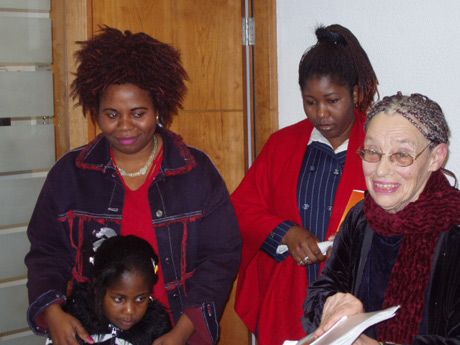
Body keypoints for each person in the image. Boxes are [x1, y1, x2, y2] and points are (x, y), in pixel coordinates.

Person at [25, 26, 241, 345]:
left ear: (159, 109)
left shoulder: (195, 171)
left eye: (138, 113)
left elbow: (221, 257)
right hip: (90, 332)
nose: (125, 126)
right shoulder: (69, 174)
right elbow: (46, 252)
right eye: (112, 114)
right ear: (95, 112)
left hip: (171, 333)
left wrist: (182, 333)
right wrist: (53, 312)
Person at [231, 24, 378, 345]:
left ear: (355, 94)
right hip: (289, 294)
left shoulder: (380, 143)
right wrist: (285, 232)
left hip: (356, 296)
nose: (321, 113)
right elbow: (242, 208)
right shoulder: (282, 144)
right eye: (310, 102)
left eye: (332, 100)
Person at [303, 92, 460, 345]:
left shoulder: (454, 228)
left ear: (436, 157)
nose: (381, 170)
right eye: (373, 152)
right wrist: (331, 307)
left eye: (401, 155)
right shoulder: (362, 216)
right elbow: (321, 293)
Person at [46, 235, 171, 345]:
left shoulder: (156, 328)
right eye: (119, 299)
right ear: (98, 288)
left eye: (140, 299)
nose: (129, 311)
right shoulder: (75, 319)